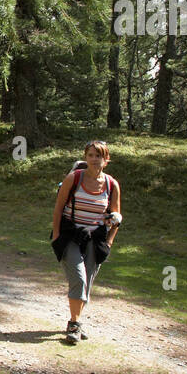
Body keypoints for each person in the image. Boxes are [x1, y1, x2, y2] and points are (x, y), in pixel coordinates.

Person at [50, 141, 123, 344]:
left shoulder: (111, 184)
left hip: (96, 238)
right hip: (70, 235)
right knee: (79, 278)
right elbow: (58, 208)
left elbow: (116, 216)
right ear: (86, 157)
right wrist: (56, 235)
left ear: (106, 160)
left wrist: (109, 241)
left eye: (98, 156)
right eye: (90, 155)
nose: (94, 159)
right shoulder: (74, 178)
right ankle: (74, 324)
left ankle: (77, 321)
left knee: (87, 282)